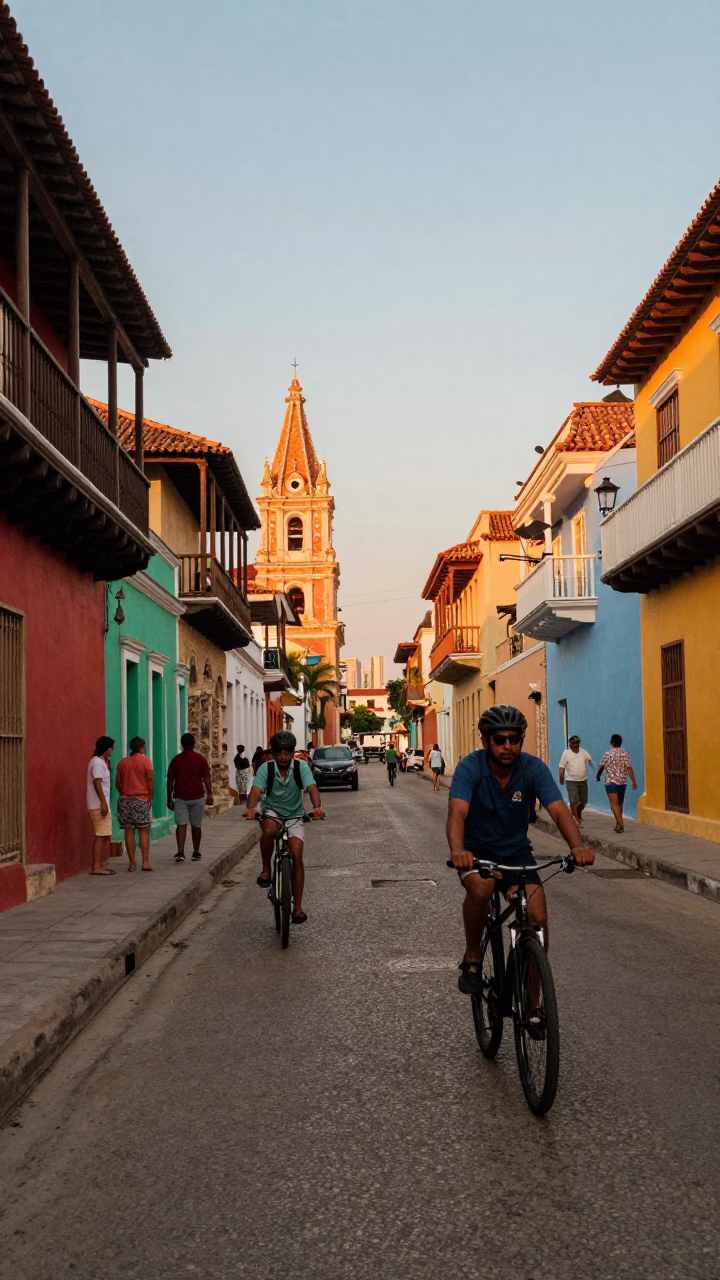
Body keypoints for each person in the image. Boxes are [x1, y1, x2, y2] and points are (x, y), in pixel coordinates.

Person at [447, 704, 594, 997]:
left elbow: (559, 810)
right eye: (499, 740)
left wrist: (577, 846)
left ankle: (534, 1006)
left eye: (514, 739)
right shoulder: (470, 768)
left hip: (516, 854)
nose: (507, 746)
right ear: (486, 741)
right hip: (476, 853)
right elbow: (457, 813)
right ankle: (473, 956)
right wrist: (458, 850)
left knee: (537, 917)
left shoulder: (532, 768)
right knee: (482, 888)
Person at [245, 730, 324, 925]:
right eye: (279, 753)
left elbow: (311, 788)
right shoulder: (266, 769)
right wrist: (250, 808)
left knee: (297, 854)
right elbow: (256, 790)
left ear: (292, 752)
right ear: (273, 753)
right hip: (272, 811)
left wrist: (317, 807)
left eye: (287, 752)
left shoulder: (301, 767)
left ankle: (297, 908)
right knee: (269, 830)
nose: (283, 757)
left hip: (295, 815)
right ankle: (266, 870)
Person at [166, 732, 214, 863]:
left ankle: (180, 852)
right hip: (197, 796)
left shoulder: (176, 760)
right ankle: (196, 851)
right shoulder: (201, 759)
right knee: (196, 825)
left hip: (180, 797)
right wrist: (210, 793)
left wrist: (168, 797)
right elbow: (207, 778)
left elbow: (170, 780)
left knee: (181, 824)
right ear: (193, 744)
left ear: (182, 744)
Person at [115, 736, 154, 871]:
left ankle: (132, 863)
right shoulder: (146, 761)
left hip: (125, 800)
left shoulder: (122, 763)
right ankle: (145, 862)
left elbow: (117, 784)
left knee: (129, 831)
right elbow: (150, 780)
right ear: (142, 747)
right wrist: (150, 797)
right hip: (141, 799)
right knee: (143, 831)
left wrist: (124, 793)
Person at [596, 734, 637, 834]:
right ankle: (618, 824)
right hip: (622, 782)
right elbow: (629, 768)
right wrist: (634, 782)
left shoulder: (608, 754)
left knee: (613, 805)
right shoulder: (625, 754)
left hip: (611, 782)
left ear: (612, 742)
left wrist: (598, 775)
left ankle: (621, 823)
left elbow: (601, 767)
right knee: (619, 803)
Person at [87, 736, 115, 876]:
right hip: (99, 805)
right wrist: (103, 803)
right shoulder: (98, 763)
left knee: (104, 835)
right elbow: (97, 783)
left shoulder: (100, 762)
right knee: (100, 835)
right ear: (106, 748)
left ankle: (98, 864)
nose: (112, 750)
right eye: (111, 748)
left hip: (100, 804)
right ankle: (96, 866)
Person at [558, 735, 593, 825]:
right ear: (570, 744)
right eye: (572, 743)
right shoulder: (566, 753)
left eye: (576, 743)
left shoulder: (584, 752)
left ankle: (577, 814)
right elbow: (561, 767)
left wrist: (594, 769)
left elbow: (590, 760)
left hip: (583, 780)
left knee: (583, 801)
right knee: (573, 799)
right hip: (571, 780)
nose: (573, 745)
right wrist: (561, 779)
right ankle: (575, 818)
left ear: (578, 743)